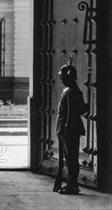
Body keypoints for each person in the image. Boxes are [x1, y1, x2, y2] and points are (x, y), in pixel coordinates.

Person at [55, 63, 87, 195]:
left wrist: (66, 129)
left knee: (71, 158)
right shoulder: (70, 89)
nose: (60, 78)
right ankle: (71, 184)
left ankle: (72, 185)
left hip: (69, 130)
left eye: (62, 76)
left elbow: (71, 113)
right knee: (69, 158)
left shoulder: (72, 91)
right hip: (66, 129)